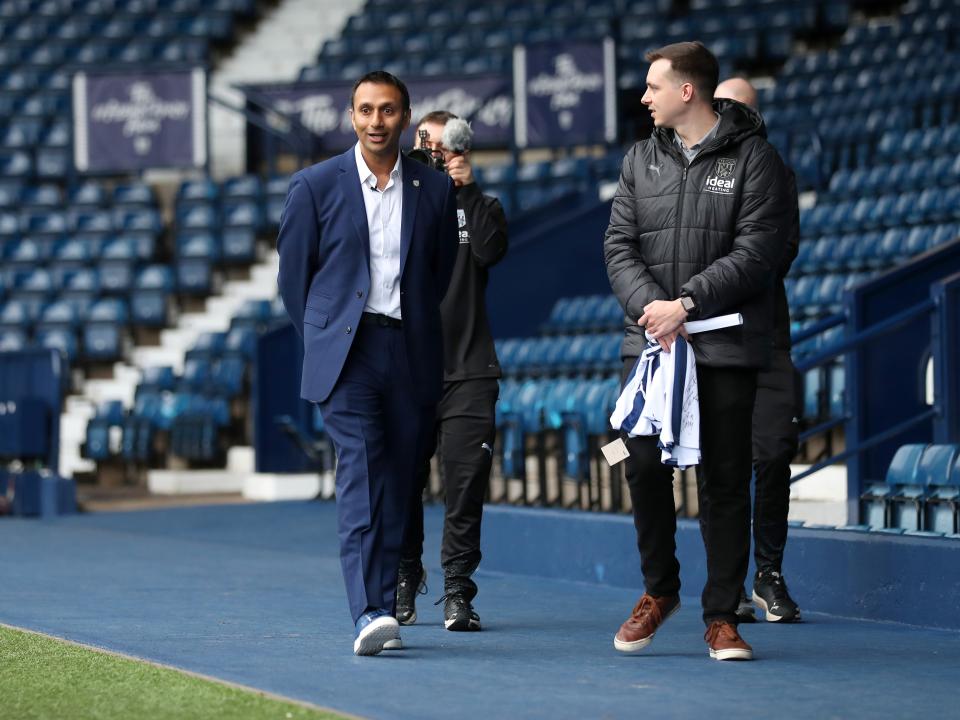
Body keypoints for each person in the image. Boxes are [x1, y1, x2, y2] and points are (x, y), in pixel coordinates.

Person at [603, 42, 791, 661]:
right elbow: (618, 248)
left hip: (725, 347)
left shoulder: (755, 160)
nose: (643, 97)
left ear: (687, 91)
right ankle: (661, 591)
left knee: (726, 480)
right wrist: (657, 312)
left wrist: (686, 304)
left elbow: (761, 252)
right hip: (651, 345)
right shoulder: (639, 160)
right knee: (641, 468)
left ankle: (721, 614)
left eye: (652, 86)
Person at [277, 71, 457, 656]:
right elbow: (293, 279)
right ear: (351, 117)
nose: (376, 121)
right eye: (365, 110)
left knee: (400, 483)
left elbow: (441, 272)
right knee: (361, 472)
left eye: (387, 111)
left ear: (404, 118)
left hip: (409, 350)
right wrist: (325, 336)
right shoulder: (313, 185)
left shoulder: (434, 188)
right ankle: (369, 611)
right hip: (347, 356)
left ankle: (381, 605)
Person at [396, 111, 508, 632]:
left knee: (464, 489)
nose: (435, 153)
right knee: (402, 484)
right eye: (426, 144)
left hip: (469, 371)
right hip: (410, 370)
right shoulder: (401, 202)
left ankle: (459, 591)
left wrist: (465, 191)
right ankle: (403, 576)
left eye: (444, 146)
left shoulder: (481, 205)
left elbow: (490, 250)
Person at [714, 77, 802, 623]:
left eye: (743, 109)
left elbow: (776, 252)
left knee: (773, 452)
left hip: (764, 335)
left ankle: (767, 574)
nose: (735, 118)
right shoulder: (687, 171)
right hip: (708, 340)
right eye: (726, 108)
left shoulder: (775, 174)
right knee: (720, 467)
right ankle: (726, 583)